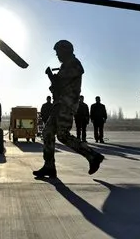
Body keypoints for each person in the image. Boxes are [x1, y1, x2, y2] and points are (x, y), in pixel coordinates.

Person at [33, 40, 104, 179]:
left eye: (58, 52)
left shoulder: (74, 64)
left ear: (66, 50)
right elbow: (57, 86)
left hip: (67, 104)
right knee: (47, 132)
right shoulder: (65, 65)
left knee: (63, 135)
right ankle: (49, 166)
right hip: (59, 104)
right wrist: (52, 79)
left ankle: (93, 156)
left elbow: (61, 81)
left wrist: (52, 77)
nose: (57, 55)